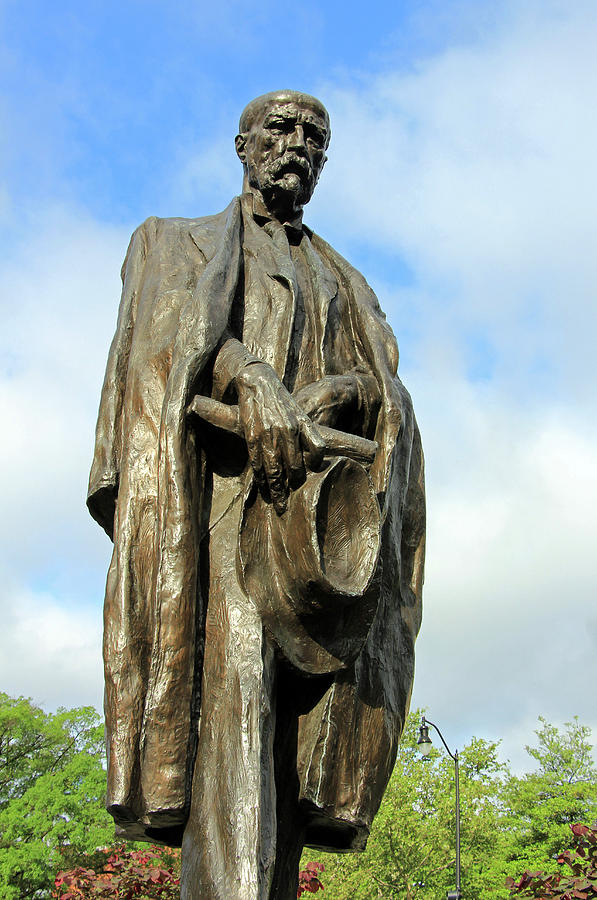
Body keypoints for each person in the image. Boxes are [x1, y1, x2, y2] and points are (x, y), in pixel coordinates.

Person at [88, 89, 425, 900]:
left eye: (316, 136)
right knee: (232, 725)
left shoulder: (346, 280)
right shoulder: (174, 242)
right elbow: (162, 339)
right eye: (280, 128)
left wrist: (344, 389)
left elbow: (390, 398)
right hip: (220, 519)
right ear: (241, 145)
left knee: (290, 756)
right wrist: (253, 376)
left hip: (322, 541)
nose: (297, 144)